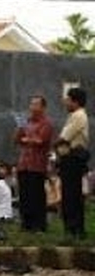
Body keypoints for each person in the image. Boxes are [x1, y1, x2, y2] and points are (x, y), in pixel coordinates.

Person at [14, 95, 54, 232]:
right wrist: (20, 129)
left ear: (43, 107)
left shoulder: (46, 123)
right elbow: (17, 140)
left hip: (37, 165)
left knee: (36, 196)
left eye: (36, 104)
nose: (32, 107)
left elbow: (40, 141)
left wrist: (27, 139)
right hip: (23, 163)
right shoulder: (26, 122)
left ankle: (39, 225)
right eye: (31, 104)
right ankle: (26, 224)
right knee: (24, 195)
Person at [56, 87, 90, 239]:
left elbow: (64, 138)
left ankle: (75, 229)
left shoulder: (78, 115)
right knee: (70, 194)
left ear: (75, 101)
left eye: (68, 99)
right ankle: (72, 228)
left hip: (73, 158)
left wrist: (55, 145)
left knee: (72, 195)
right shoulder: (75, 115)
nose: (65, 102)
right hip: (69, 158)